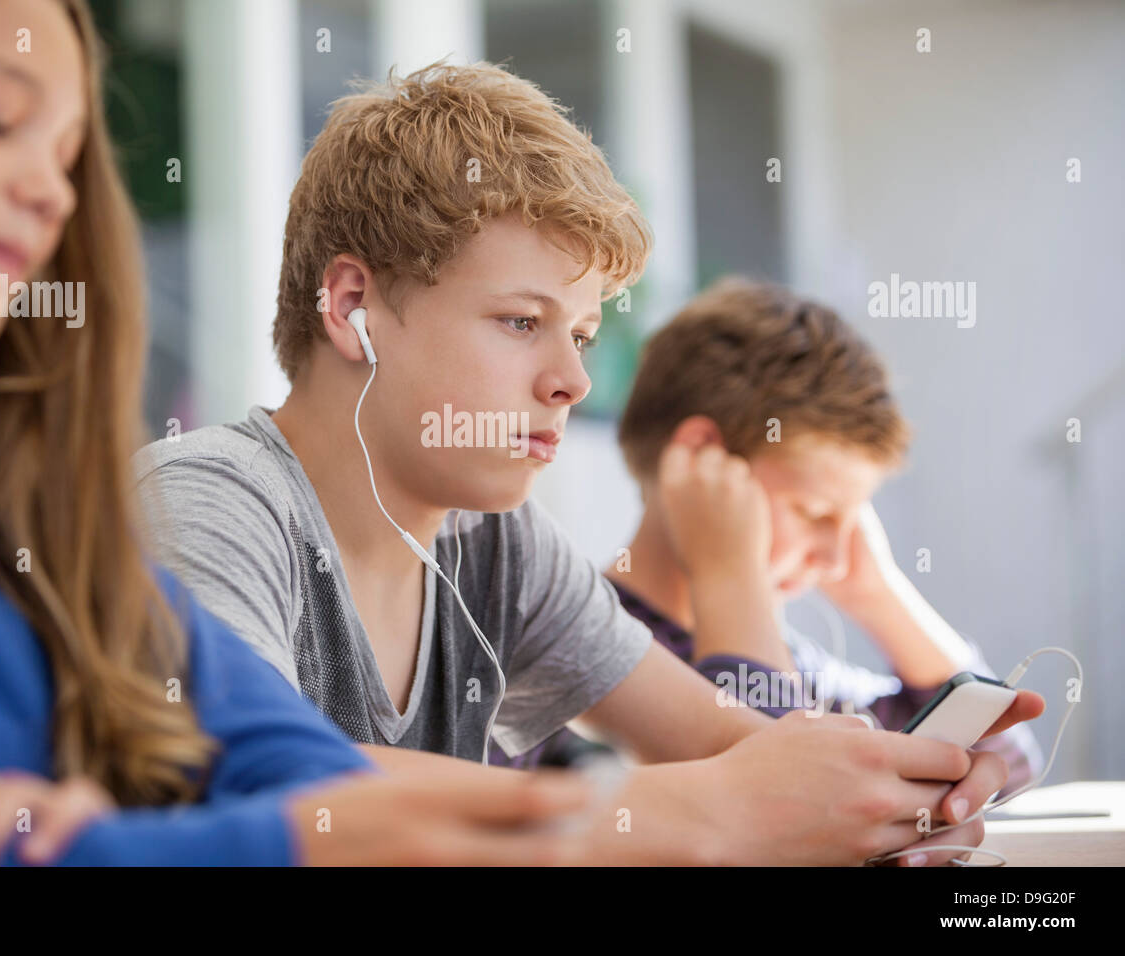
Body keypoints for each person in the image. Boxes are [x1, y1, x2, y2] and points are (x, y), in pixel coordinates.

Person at [134, 61, 1042, 865]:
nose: (571, 380)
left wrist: (890, 791)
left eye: (581, 333)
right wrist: (712, 810)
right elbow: (243, 779)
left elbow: (733, 749)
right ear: (352, 306)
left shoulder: (498, 543)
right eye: (522, 323)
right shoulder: (209, 499)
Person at [0, 0, 594, 868]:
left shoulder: (56, 544)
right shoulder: (206, 498)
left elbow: (312, 780)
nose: (52, 193)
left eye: (70, 155)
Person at [492, 277, 1043, 801]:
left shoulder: (790, 662)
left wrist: (880, 593)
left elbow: (1008, 754)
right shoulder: (567, 640)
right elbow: (785, 806)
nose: (834, 555)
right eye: (815, 512)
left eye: (852, 521)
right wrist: (730, 576)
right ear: (704, 459)